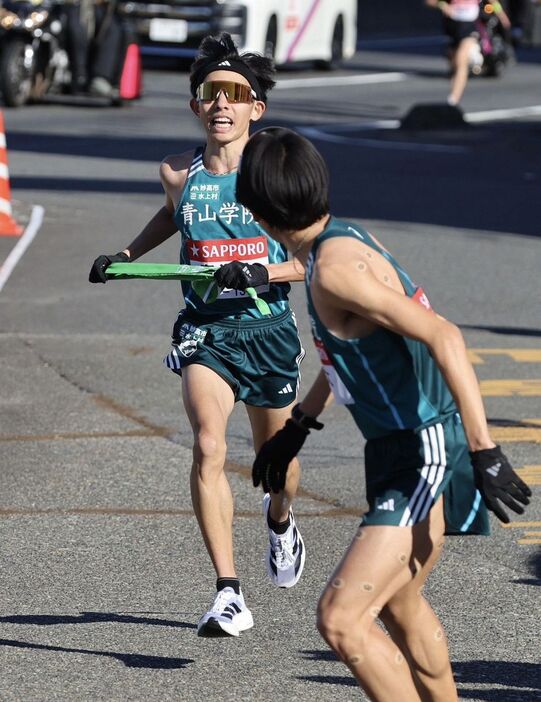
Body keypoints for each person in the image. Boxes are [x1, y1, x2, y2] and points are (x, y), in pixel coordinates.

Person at [234, 127, 531, 700]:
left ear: (258, 213)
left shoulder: (334, 269)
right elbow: (345, 350)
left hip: (423, 448)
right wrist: (297, 426)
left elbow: (444, 335)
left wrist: (484, 448)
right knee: (397, 604)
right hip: (398, 447)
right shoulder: (336, 245)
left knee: (341, 620)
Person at [88, 34, 306, 638]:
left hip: (268, 331)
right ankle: (228, 594)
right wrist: (125, 255)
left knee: (276, 468)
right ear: (196, 105)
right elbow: (172, 214)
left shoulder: (274, 177)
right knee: (209, 446)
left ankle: (282, 521)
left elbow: (313, 259)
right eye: (212, 94)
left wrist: (261, 269)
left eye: (236, 95)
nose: (222, 105)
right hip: (206, 332)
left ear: (256, 109)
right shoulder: (177, 173)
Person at [426, 0, 482, 105]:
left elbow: (493, 3)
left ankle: (453, 100)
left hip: (469, 26)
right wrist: (443, 5)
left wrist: (501, 15)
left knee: (461, 61)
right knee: (454, 65)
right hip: (452, 26)